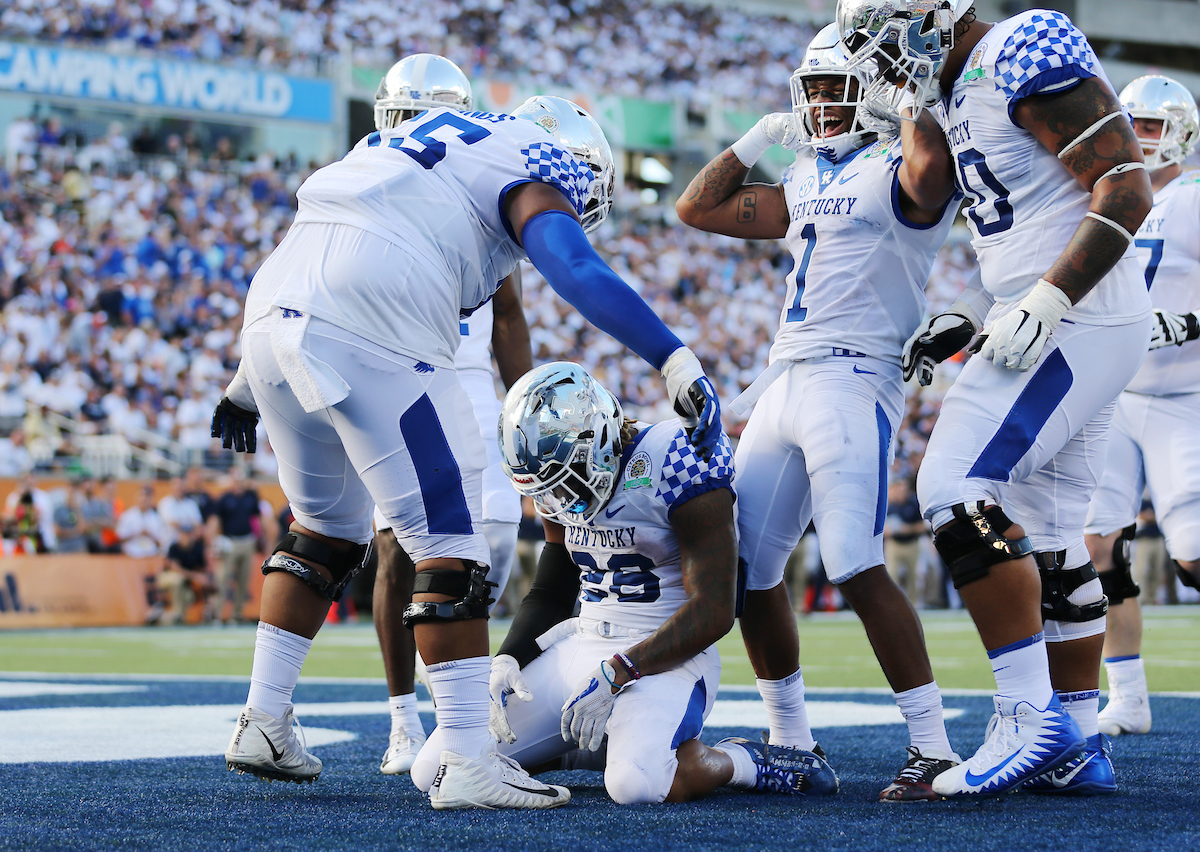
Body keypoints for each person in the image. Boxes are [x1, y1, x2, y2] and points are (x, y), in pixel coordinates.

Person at [212, 61, 721, 808]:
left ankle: (263, 716)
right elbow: (573, 267)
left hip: (270, 315)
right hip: (375, 321)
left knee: (322, 530)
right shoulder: (528, 159)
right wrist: (671, 357)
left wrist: (243, 384)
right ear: (572, 163)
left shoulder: (396, 147)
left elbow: (315, 259)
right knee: (449, 544)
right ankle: (470, 762)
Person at [840, 0, 1154, 796]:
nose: (881, 67)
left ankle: (1025, 713)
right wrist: (982, 312)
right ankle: (1080, 737)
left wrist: (1047, 299)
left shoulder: (1021, 43)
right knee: (1051, 534)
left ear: (931, 16)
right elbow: (982, 210)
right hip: (1070, 312)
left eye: (884, 45)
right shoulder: (950, 91)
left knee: (951, 489)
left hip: (1076, 313)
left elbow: (1124, 184)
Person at [675, 24, 960, 802]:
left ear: (867, 91)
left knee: (853, 561)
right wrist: (761, 134)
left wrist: (910, 99)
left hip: (852, 378)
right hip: (782, 380)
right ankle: (792, 741)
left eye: (837, 89)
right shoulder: (803, 174)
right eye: (812, 93)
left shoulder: (900, 167)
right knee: (751, 573)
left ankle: (932, 748)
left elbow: (932, 171)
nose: (821, 106)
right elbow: (695, 209)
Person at [410, 362, 836, 803]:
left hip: (666, 656)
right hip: (581, 642)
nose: (562, 499)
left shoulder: (674, 456)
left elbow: (715, 608)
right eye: (549, 488)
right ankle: (583, 751)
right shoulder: (555, 484)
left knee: (636, 785)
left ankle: (744, 760)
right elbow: (552, 591)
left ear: (601, 435)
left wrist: (620, 671)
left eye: (569, 476)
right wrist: (506, 659)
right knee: (439, 768)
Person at [367, 55, 536, 778]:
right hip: (394, 367)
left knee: (491, 538)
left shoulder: (479, 189)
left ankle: (461, 709)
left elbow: (507, 313)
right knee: (399, 549)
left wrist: (526, 408)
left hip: (466, 376)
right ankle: (405, 718)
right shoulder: (366, 179)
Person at [1081, 75, 1200, 738]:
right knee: (1099, 548)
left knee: (1192, 555)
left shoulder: (1191, 199)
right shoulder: (1105, 196)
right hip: (1114, 393)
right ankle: (1127, 695)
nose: (1140, 137)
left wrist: (1191, 321)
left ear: (1180, 130)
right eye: (1133, 124)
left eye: (1152, 126)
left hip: (1184, 395)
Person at [209, 468, 262, 624]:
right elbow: (216, 521)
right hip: (229, 542)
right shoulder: (225, 498)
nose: (239, 484)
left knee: (243, 580)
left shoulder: (250, 497)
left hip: (247, 541)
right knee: (223, 579)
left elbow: (257, 518)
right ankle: (217, 615)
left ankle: (237, 614)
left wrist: (261, 538)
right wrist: (214, 542)